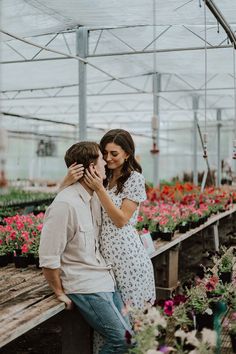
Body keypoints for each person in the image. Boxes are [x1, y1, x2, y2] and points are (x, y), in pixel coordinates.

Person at [39, 141, 132, 354]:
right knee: (123, 342)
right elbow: (48, 256)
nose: (107, 164)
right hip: (85, 286)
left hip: (104, 279)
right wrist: (59, 292)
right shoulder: (66, 204)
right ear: (91, 168)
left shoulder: (93, 198)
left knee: (131, 337)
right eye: (102, 159)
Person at [62, 129, 156, 309]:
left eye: (114, 153)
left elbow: (121, 220)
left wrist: (99, 189)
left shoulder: (134, 179)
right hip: (103, 256)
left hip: (127, 255)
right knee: (112, 311)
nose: (108, 158)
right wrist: (66, 181)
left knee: (130, 313)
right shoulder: (103, 176)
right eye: (104, 153)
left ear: (127, 154)